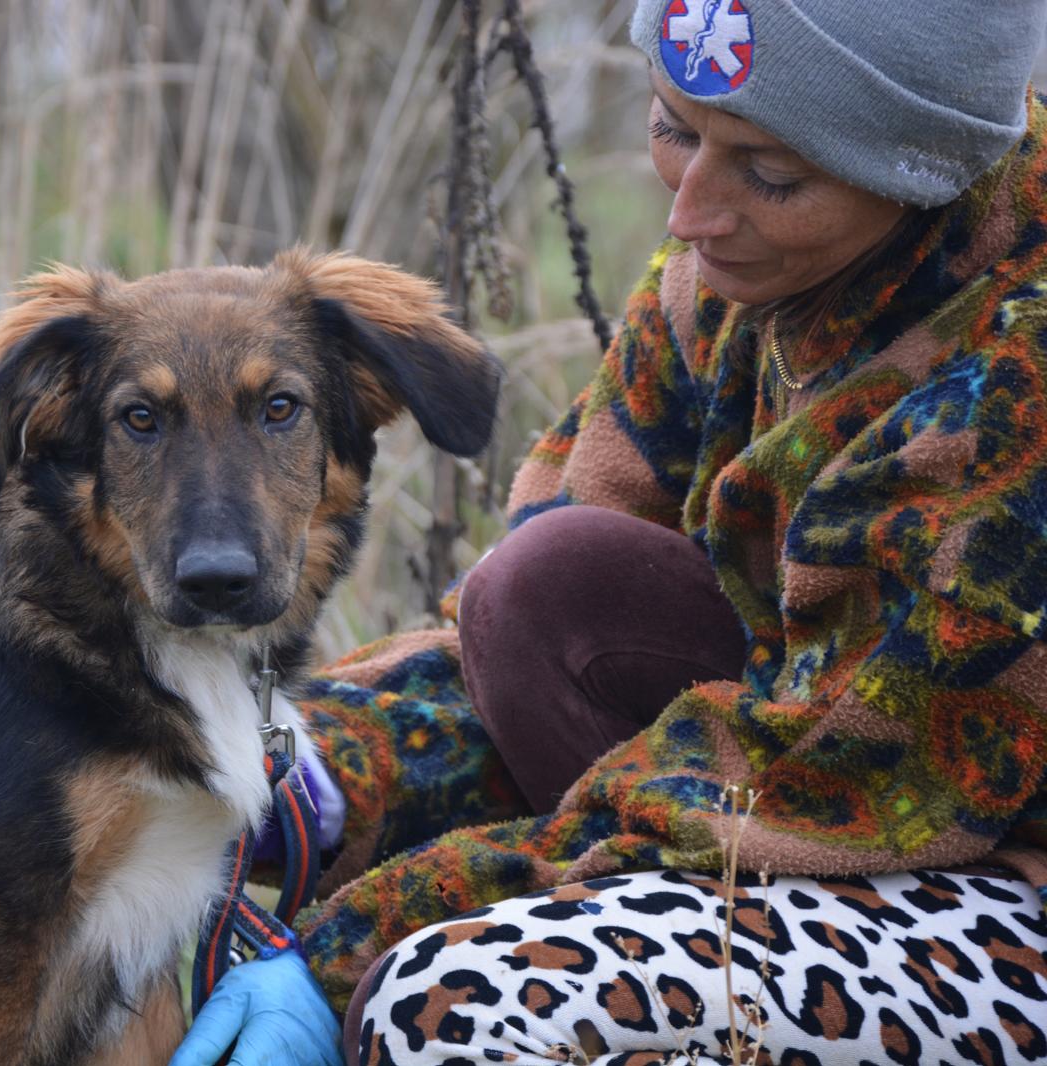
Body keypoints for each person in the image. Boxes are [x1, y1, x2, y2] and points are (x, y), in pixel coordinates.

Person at [171, 0, 1047, 1063]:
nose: (691, 212)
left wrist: (348, 947)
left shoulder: (1017, 384)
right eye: (674, 126)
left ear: (924, 171)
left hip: (979, 884)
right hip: (787, 795)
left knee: (452, 1003)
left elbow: (827, 779)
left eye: (771, 175)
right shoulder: (736, 275)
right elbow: (523, 637)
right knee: (547, 583)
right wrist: (311, 769)